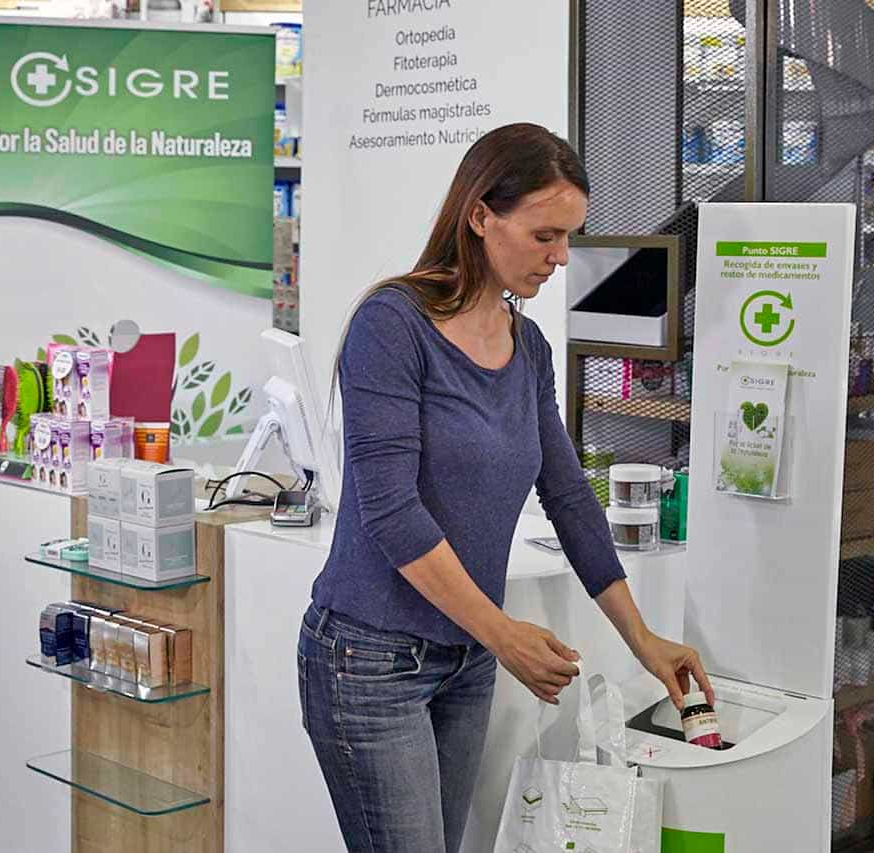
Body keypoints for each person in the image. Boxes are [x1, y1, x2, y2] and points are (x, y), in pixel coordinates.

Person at [297, 122, 713, 853]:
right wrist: (504, 632)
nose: (560, 258)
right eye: (545, 234)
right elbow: (393, 512)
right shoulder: (392, 326)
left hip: (464, 663)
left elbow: (569, 495)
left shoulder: (529, 348)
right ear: (481, 215)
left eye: (569, 237)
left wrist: (642, 639)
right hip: (367, 660)